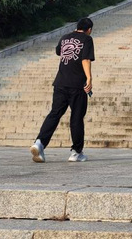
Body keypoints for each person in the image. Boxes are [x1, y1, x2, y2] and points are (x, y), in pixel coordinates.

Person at [31, 17, 95, 163]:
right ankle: (76, 152)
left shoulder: (65, 37)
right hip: (77, 84)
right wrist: (89, 78)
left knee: (54, 114)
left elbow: (59, 51)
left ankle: (39, 143)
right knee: (77, 117)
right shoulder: (87, 39)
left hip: (60, 83)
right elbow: (85, 59)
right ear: (89, 30)